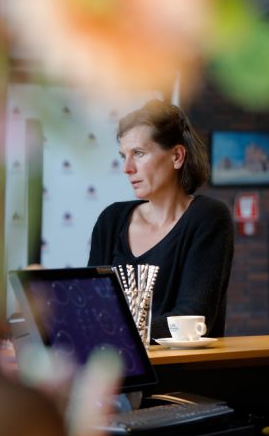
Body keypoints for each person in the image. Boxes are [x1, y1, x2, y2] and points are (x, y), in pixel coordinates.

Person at [87, 99, 234, 339]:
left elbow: (193, 318)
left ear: (177, 156)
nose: (127, 167)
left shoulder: (208, 217)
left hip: (183, 373)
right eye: (124, 155)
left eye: (139, 153)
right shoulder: (111, 220)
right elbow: (92, 308)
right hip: (116, 370)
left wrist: (113, 330)